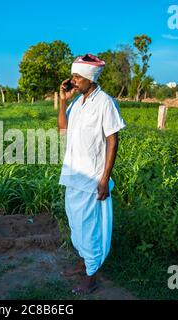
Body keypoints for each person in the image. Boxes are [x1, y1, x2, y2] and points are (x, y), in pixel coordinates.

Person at [57, 53, 126, 294]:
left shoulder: (105, 102)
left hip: (91, 178)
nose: (73, 80)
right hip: (73, 174)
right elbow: (62, 130)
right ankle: (83, 262)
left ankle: (92, 274)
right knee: (76, 223)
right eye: (73, 76)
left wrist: (104, 178)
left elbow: (112, 141)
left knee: (90, 227)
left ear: (90, 79)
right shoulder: (78, 102)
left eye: (77, 77)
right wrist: (63, 100)